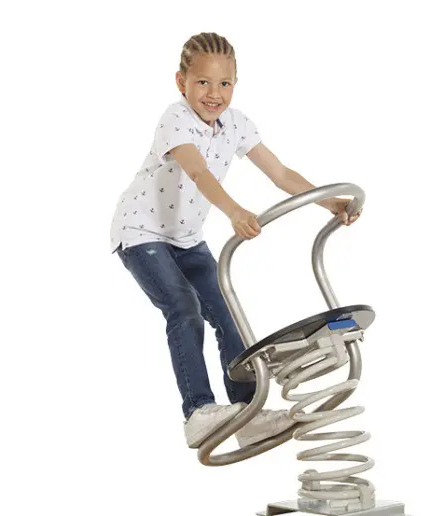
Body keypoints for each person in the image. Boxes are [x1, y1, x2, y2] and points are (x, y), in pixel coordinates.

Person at [109, 32, 362, 450]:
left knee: (228, 316)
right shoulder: (175, 119)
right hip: (141, 233)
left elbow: (281, 174)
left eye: (224, 83)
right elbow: (198, 172)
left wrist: (330, 203)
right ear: (181, 82)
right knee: (184, 308)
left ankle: (248, 414)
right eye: (202, 83)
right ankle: (198, 412)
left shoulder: (237, 124)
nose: (214, 94)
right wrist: (235, 212)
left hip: (187, 239)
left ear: (235, 84)